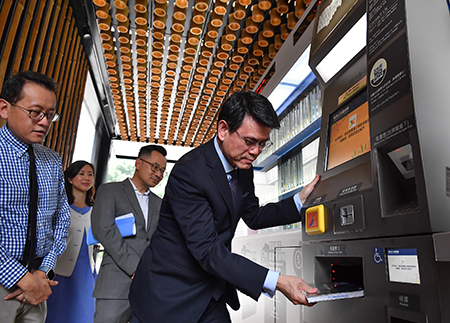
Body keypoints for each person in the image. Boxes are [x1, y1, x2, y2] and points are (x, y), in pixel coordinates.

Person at [129, 91, 320, 323]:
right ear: (223, 130)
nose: (256, 152)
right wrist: (278, 281)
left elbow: (254, 215)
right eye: (249, 141)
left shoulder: (242, 167)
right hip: (169, 295)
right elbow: (208, 249)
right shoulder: (189, 172)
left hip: (210, 291)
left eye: (262, 144)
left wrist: (300, 201)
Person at [0, 71, 71, 322]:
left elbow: (62, 220)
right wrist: (18, 277)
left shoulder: (51, 159)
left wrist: (43, 271)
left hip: (39, 283)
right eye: (35, 112)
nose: (44, 122)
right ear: (4, 108)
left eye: (50, 115)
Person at [91, 145, 167, 323]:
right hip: (116, 284)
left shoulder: (160, 204)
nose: (158, 174)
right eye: (155, 167)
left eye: (163, 170)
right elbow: (103, 229)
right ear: (138, 163)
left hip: (149, 287)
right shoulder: (110, 190)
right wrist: (135, 267)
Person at [46, 161, 96, 323]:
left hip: (87, 272)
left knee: (84, 315)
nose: (86, 178)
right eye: (81, 174)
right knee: (55, 315)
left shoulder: (97, 210)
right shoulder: (59, 207)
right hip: (59, 272)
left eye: (90, 174)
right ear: (69, 178)